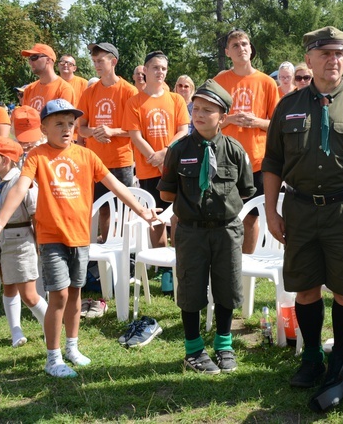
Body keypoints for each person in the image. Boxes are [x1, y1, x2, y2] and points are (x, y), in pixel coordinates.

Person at [0, 98, 160, 378]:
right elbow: (19, 189)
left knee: (75, 295)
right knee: (58, 296)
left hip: (80, 237)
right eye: (59, 124)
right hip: (52, 238)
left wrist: (142, 211)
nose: (67, 129)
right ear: (44, 127)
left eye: (71, 124)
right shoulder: (37, 155)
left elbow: (117, 186)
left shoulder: (86, 155)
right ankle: (53, 358)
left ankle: (72, 347)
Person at [262, 26, 343, 388]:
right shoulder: (288, 106)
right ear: (309, 59)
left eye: (339, 54)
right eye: (325, 54)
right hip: (300, 210)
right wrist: (272, 212)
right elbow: (271, 163)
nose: (333, 60)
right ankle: (313, 357)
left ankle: (341, 361)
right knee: (305, 289)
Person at [158, 80, 255, 375]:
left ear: (223, 117)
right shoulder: (178, 150)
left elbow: (245, 189)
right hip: (191, 231)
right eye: (195, 108)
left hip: (226, 229)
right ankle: (193, 350)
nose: (199, 114)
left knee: (227, 286)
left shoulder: (235, 150)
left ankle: (224, 345)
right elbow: (167, 193)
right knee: (191, 288)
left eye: (207, 110)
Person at [0, 136, 48, 346]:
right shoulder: (1, 183)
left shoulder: (23, 182)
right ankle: (16, 332)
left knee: (30, 295)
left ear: (4, 160)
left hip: (21, 243)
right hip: (2, 242)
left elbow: (36, 215)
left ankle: (51, 329)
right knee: (9, 287)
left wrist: (40, 247)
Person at [214, 29, 280, 254]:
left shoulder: (266, 82)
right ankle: (225, 259)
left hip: (256, 161)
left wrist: (257, 122)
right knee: (223, 215)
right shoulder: (219, 81)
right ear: (227, 52)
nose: (241, 48)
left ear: (251, 49)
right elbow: (209, 123)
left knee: (251, 216)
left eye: (244, 44)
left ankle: (246, 264)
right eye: (235, 45)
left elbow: (277, 125)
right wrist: (230, 119)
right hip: (225, 160)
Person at [123, 51, 189, 248]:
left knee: (178, 213)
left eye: (163, 68)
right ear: (145, 70)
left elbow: (183, 130)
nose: (160, 72)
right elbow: (135, 135)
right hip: (148, 167)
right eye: (155, 67)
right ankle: (161, 261)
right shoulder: (135, 102)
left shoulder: (176, 100)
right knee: (156, 214)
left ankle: (178, 258)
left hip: (174, 166)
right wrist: (156, 157)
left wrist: (165, 153)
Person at [77, 42, 138, 238]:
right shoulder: (89, 92)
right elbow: (81, 128)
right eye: (94, 61)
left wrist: (112, 132)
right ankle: (105, 251)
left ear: (114, 61)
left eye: (101, 60)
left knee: (124, 208)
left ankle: (126, 254)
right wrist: (95, 131)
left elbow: (135, 131)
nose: (97, 65)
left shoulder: (129, 91)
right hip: (96, 162)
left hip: (121, 161)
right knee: (103, 209)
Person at [21, 44, 75, 113]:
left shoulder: (64, 89)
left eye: (34, 57)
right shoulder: (29, 89)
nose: (30, 62)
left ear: (48, 60)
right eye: (30, 58)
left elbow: (64, 121)